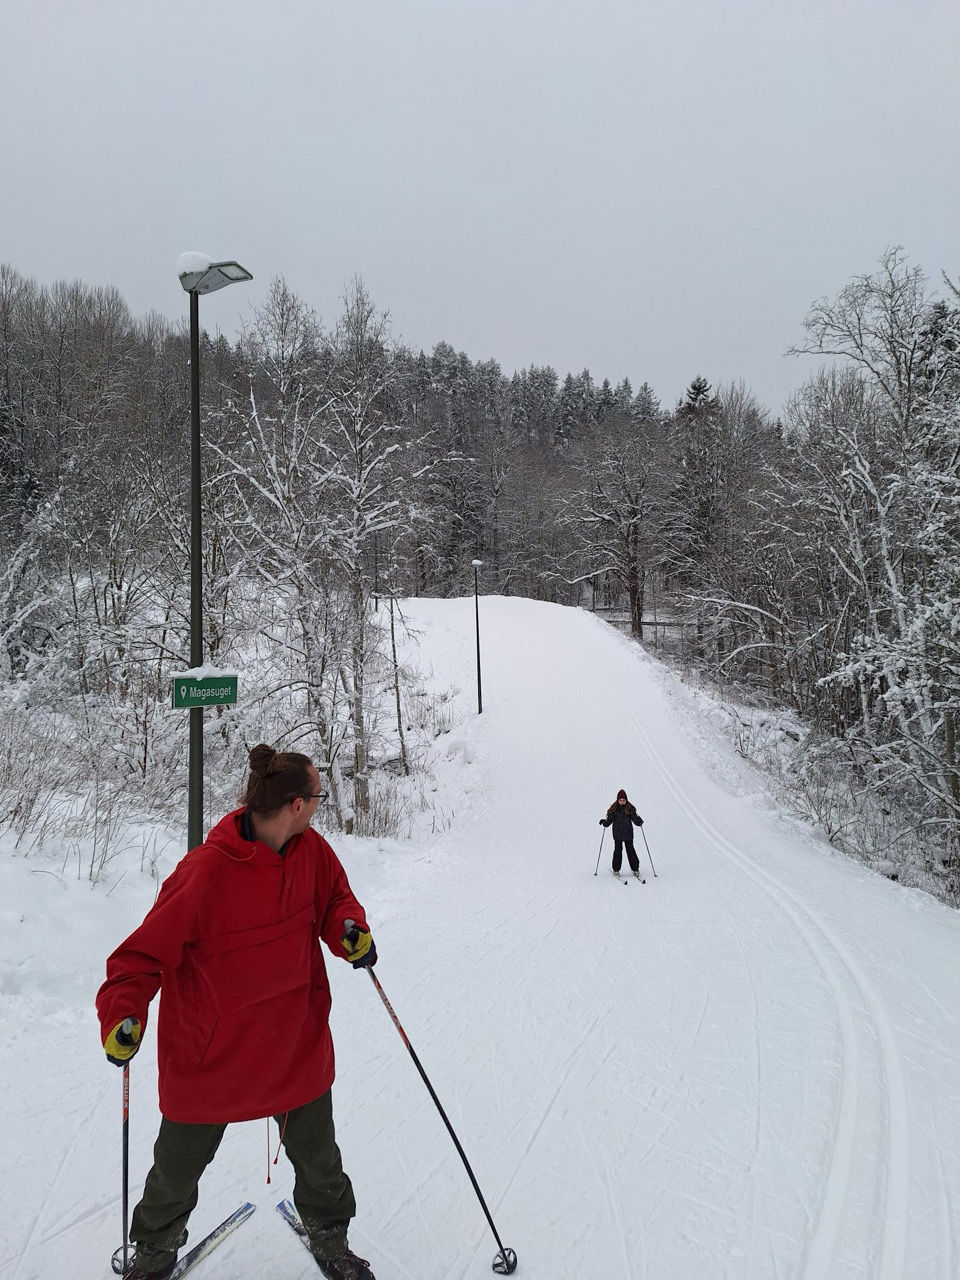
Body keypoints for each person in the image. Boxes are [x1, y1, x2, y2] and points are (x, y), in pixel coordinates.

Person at [96, 744, 378, 1280]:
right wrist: (122, 1014)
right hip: (212, 1054)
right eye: (317, 795)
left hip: (293, 1042)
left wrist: (348, 929)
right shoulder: (204, 873)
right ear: (296, 804)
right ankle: (154, 1254)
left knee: (319, 1161)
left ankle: (331, 1239)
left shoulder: (311, 851)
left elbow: (336, 898)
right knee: (176, 1171)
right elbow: (137, 958)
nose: (319, 805)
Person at [599, 788, 644, 876]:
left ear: (626, 800)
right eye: (620, 800)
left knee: (630, 850)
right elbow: (609, 821)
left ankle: (635, 868)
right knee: (618, 851)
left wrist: (639, 822)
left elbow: (635, 819)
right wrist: (605, 822)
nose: (622, 802)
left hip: (628, 833)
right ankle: (616, 869)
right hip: (617, 834)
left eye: (624, 800)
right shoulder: (613, 809)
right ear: (618, 800)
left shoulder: (630, 809)